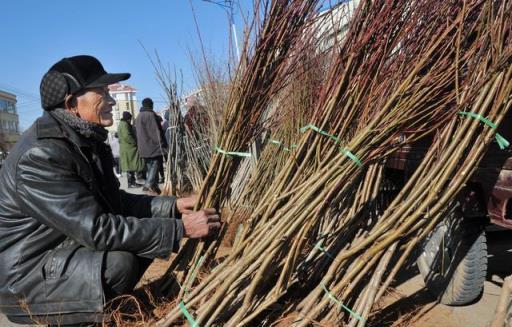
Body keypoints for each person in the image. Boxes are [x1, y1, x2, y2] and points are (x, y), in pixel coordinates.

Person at [0, 55, 220, 326]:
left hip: (60, 254)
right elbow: (97, 229)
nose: (112, 100)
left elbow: (114, 202)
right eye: (102, 92)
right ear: (71, 104)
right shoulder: (42, 154)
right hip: (26, 278)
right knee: (119, 263)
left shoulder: (83, 139)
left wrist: (173, 206)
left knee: (145, 236)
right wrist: (181, 229)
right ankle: (85, 319)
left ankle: (107, 311)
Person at [135, 98, 166, 195]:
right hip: (152, 146)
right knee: (155, 164)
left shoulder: (138, 116)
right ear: (150, 104)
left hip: (143, 147)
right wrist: (161, 143)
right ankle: (148, 185)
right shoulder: (150, 115)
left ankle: (154, 186)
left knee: (150, 166)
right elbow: (155, 131)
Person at [118, 111, 144, 188]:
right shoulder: (124, 124)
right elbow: (127, 136)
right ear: (128, 118)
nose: (131, 120)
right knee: (130, 166)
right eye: (130, 118)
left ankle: (132, 182)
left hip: (128, 149)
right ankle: (131, 183)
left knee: (131, 166)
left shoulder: (123, 124)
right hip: (129, 149)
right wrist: (134, 143)